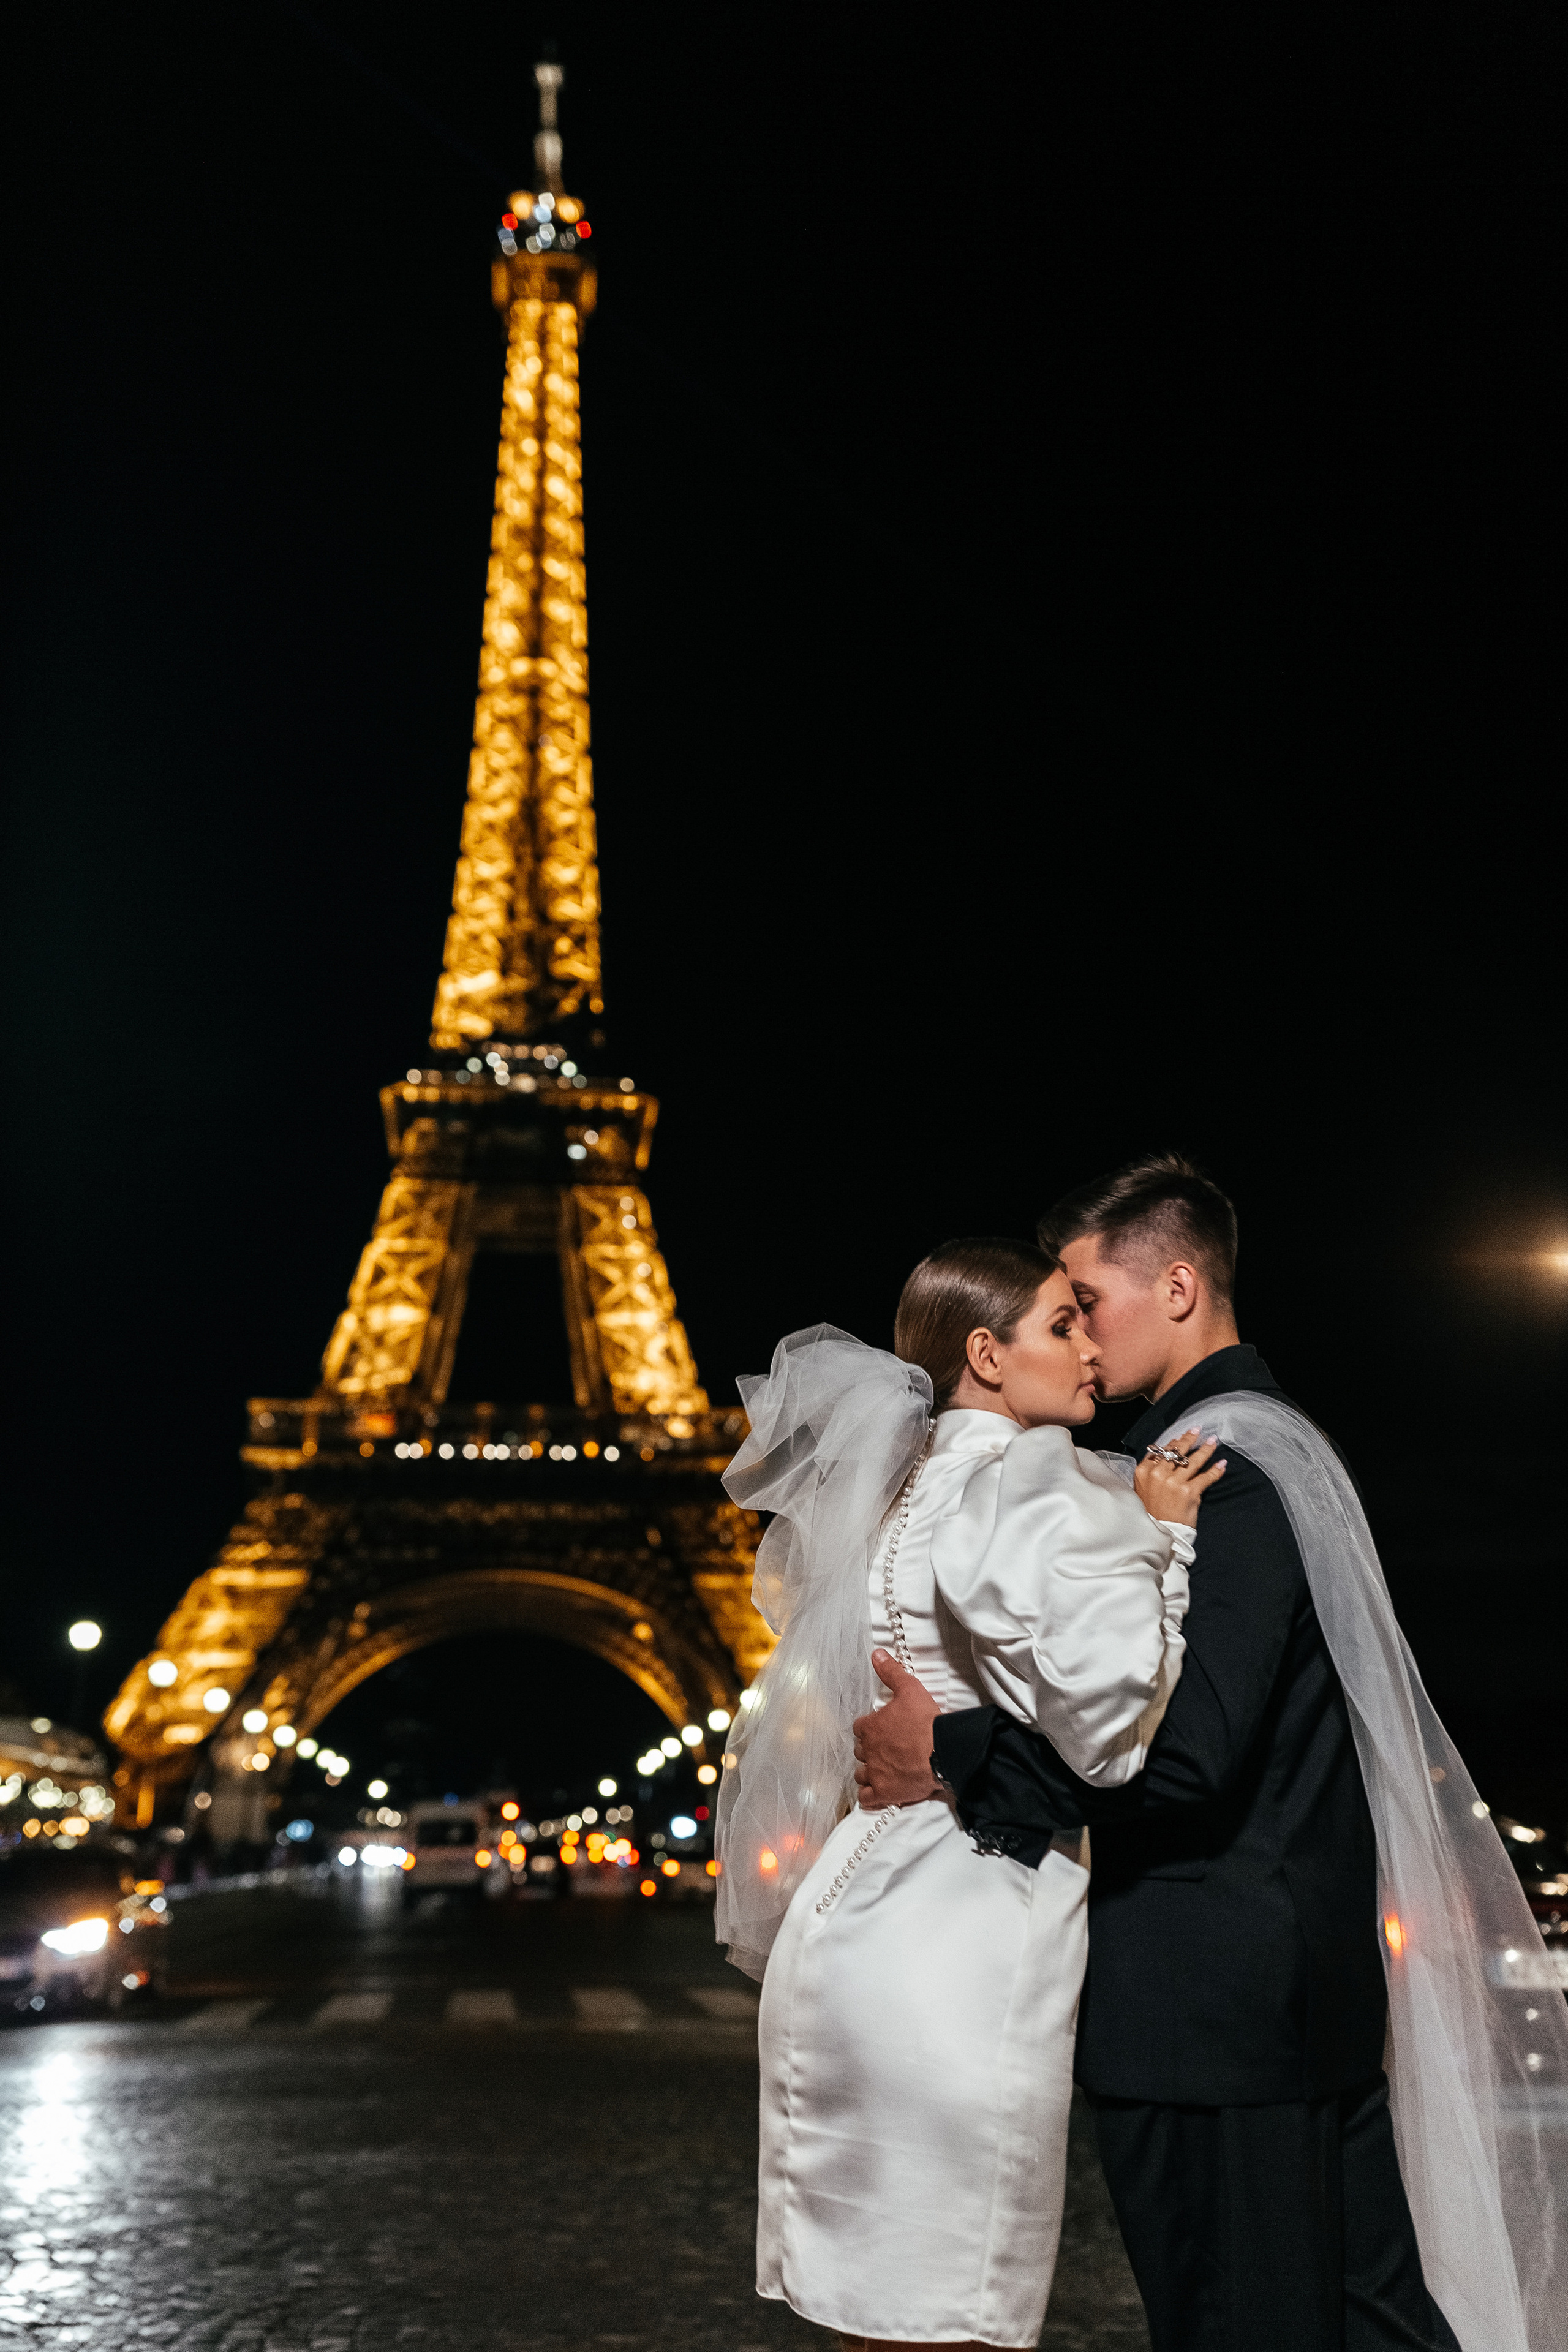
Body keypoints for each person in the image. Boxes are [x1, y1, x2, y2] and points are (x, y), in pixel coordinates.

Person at [854, 1154, 1568, 2352]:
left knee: (1237, 2322)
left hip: (1208, 2013)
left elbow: (1186, 1758)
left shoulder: (1210, 1469)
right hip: (1280, 1994)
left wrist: (952, 1750)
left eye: (1085, 1296)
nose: (1075, 1327)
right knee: (1367, 2324)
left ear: (1177, 1287)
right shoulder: (1252, 1444)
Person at [715, 1238, 1225, 2351]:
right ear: (985, 1355)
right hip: (961, 1935)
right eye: (1061, 1325)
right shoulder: (1035, 1482)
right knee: (950, 2303)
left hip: (849, 1921)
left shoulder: (900, 1493)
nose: (1091, 1348)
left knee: (869, 2308)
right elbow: (1112, 1745)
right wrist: (1170, 1549)